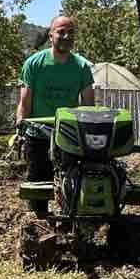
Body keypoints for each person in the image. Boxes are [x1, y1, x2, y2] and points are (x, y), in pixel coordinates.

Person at [15, 15, 95, 211]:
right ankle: (38, 223)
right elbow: (25, 102)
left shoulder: (82, 67)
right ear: (51, 35)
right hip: (38, 134)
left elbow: (88, 106)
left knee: (72, 181)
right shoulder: (34, 64)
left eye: (70, 33)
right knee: (38, 185)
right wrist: (20, 127)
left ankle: (72, 224)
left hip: (69, 135)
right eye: (61, 32)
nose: (66, 36)